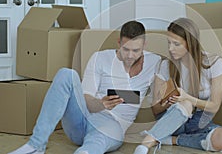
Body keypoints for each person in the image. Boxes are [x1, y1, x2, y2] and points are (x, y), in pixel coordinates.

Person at [8, 20, 161, 154]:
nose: (130, 55)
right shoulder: (100, 58)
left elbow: (160, 96)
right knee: (66, 74)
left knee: (92, 146)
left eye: (136, 51)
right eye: (126, 49)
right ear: (119, 43)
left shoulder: (154, 62)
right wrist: (101, 104)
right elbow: (86, 98)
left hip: (112, 126)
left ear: (144, 46)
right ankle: (36, 145)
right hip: (83, 119)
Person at [134, 18, 222, 154]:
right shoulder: (165, 66)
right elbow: (156, 109)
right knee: (185, 104)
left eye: (176, 44)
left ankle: (172, 140)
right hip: (172, 119)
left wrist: (188, 98)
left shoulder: (213, 63)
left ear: (190, 43)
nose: (170, 48)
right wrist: (170, 102)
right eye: (169, 43)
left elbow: (215, 106)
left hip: (198, 121)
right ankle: (145, 145)